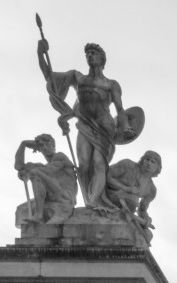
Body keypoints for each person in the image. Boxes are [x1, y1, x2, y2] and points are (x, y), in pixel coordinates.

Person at [39, 42, 139, 209]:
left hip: (105, 127)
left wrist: (126, 126)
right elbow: (49, 76)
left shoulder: (111, 84)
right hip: (84, 125)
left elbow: (120, 109)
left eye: (93, 53)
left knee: (99, 163)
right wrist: (40, 53)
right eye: (87, 54)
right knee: (84, 165)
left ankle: (94, 200)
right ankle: (89, 201)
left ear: (102, 58)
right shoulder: (78, 78)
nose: (90, 56)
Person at [14, 133, 77, 224]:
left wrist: (28, 171)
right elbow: (18, 166)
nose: (45, 148)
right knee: (22, 208)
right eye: (42, 146)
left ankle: (38, 216)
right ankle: (38, 215)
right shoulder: (42, 166)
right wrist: (23, 144)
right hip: (52, 196)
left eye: (48, 144)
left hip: (66, 196)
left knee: (35, 173)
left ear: (53, 145)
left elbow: (48, 171)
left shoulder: (60, 156)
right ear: (39, 149)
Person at [106, 150, 161, 240]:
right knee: (132, 199)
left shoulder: (151, 190)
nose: (149, 163)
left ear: (157, 167)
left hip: (127, 208)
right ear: (143, 160)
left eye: (153, 162)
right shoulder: (128, 165)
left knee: (147, 235)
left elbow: (142, 211)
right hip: (108, 196)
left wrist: (147, 219)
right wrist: (125, 188)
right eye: (147, 159)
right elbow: (105, 176)